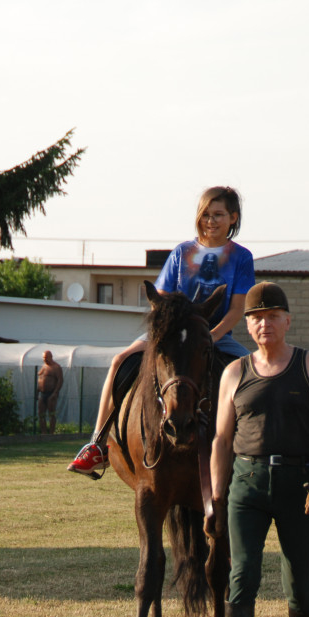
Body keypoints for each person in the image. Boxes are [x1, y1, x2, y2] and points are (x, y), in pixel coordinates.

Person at [67, 186, 255, 478]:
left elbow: (236, 309)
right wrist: (162, 335)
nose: (211, 221)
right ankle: (97, 444)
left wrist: (211, 337)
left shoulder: (241, 257)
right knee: (119, 362)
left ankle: (253, 451)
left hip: (215, 336)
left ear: (233, 218)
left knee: (254, 374)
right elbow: (161, 297)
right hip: (169, 335)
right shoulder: (182, 252)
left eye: (218, 215)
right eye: (205, 214)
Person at [205, 282, 309, 617]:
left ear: (287, 320)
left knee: (299, 579)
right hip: (246, 483)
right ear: (247, 325)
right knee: (242, 573)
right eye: (256, 317)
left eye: (271, 316)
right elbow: (221, 439)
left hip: (300, 485)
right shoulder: (234, 372)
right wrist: (215, 497)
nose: (264, 324)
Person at [37, 350, 64, 434]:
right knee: (41, 413)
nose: (44, 359)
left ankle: (51, 433)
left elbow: (60, 380)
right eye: (43, 358)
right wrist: (37, 391)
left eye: (46, 358)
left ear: (50, 357)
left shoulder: (56, 367)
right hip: (42, 393)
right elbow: (40, 378)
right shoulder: (43, 366)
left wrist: (55, 393)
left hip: (51, 393)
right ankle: (43, 433)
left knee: (51, 413)